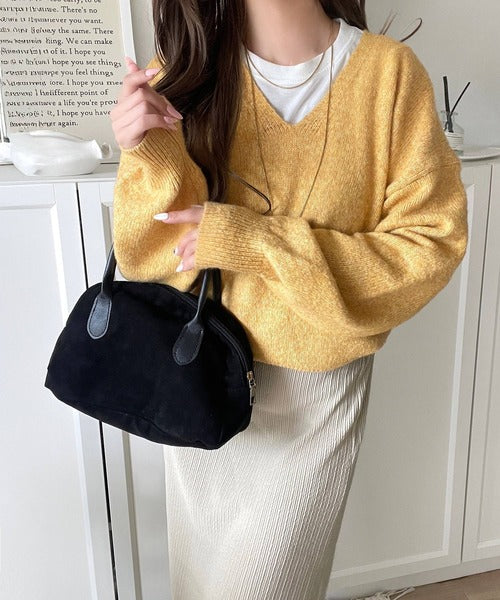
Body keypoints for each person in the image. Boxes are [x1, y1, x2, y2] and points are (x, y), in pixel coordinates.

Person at [109, 1, 468, 598]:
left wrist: (255, 240)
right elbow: (153, 257)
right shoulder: (188, 69)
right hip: (202, 379)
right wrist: (150, 151)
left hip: (317, 397)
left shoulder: (388, 74)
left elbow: (431, 243)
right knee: (197, 586)